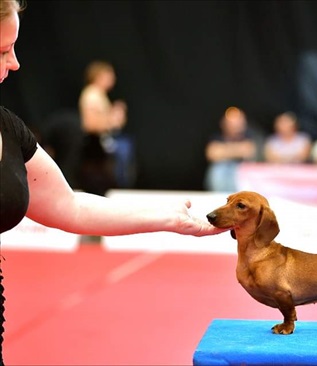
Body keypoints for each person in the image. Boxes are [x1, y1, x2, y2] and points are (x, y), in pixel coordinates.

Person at [0, 0, 226, 363]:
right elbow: (93, 126)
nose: (15, 63)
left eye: (13, 48)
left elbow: (69, 205)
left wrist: (167, 218)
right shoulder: (92, 96)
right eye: (3, 50)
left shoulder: (7, 128)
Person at [79, 60, 136, 195]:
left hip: (98, 146)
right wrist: (111, 121)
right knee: (96, 188)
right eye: (109, 75)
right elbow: (90, 124)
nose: (113, 79)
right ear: (99, 76)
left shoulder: (98, 95)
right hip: (94, 147)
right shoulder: (92, 95)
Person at [204, 106, 257, 192]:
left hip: (241, 173)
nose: (235, 126)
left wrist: (223, 150)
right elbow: (211, 154)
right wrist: (237, 150)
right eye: (231, 123)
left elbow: (248, 151)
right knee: (218, 169)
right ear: (224, 124)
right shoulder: (217, 137)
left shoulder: (249, 135)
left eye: (238, 122)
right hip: (221, 173)